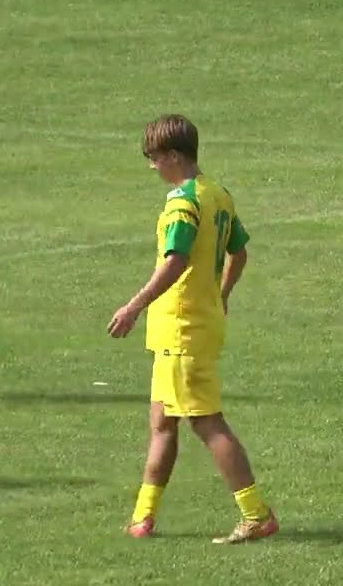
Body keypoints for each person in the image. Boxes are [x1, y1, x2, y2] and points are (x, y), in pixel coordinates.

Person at [108, 115, 278, 544]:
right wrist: (221, 296)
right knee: (162, 421)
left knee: (207, 423)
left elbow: (175, 261)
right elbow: (239, 251)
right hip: (190, 327)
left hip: (182, 331)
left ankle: (256, 514)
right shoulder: (217, 194)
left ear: (173, 156)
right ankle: (143, 518)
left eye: (154, 158)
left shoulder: (183, 203)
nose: (152, 166)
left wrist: (133, 306)